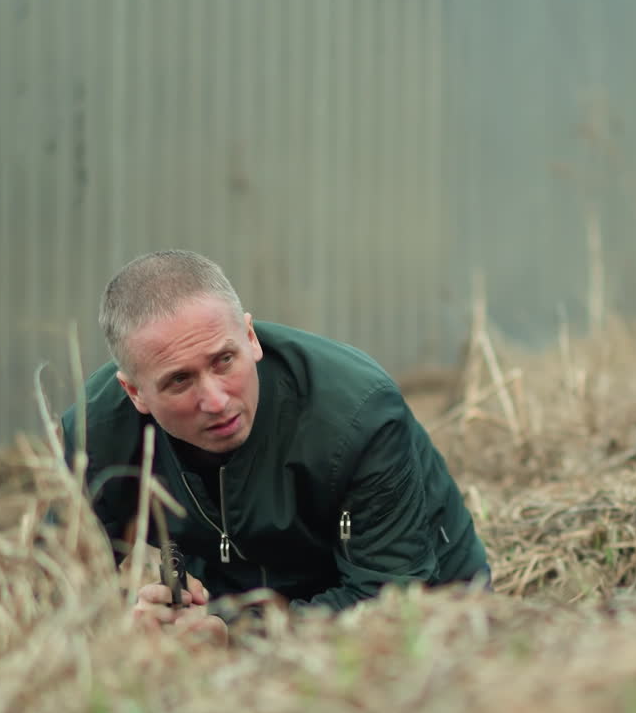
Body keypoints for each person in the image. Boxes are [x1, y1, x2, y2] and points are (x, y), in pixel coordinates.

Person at [62, 250, 490, 640]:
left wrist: (234, 637)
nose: (214, 400)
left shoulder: (357, 413)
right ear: (134, 393)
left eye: (223, 361)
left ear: (251, 338)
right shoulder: (97, 433)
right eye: (179, 380)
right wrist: (137, 625)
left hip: (425, 605)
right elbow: (55, 589)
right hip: (236, 596)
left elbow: (392, 601)